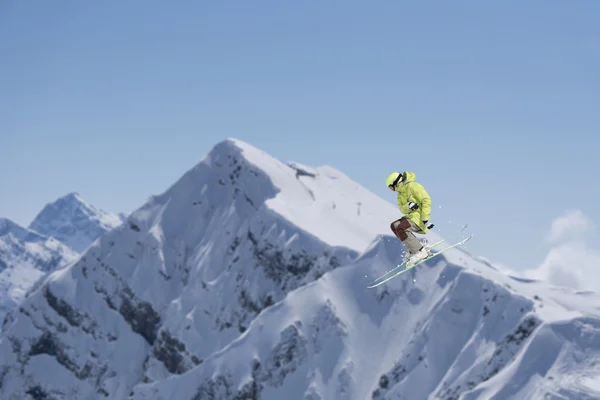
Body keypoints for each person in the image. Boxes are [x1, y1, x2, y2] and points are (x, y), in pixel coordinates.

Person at [386, 171, 434, 267]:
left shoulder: (413, 186)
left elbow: (426, 199)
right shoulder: (400, 195)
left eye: (392, 187)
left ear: (397, 182)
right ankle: (414, 249)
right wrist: (408, 206)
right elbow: (402, 209)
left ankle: (420, 251)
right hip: (411, 217)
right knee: (394, 226)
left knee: (401, 228)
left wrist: (425, 218)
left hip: (419, 218)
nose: (393, 190)